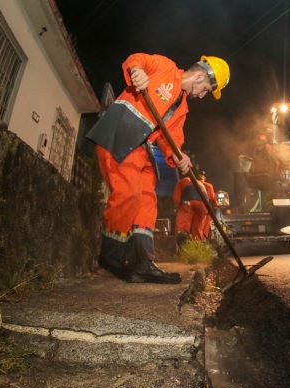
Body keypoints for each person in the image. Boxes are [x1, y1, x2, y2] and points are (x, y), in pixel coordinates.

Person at [86, 53, 230, 284]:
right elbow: (137, 59)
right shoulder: (165, 67)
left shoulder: (182, 108)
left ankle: (142, 262)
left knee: (146, 201)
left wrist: (179, 156)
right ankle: (112, 255)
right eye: (207, 90)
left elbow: (170, 139)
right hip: (122, 136)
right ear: (201, 76)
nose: (203, 96)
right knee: (129, 193)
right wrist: (136, 71)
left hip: (143, 149)